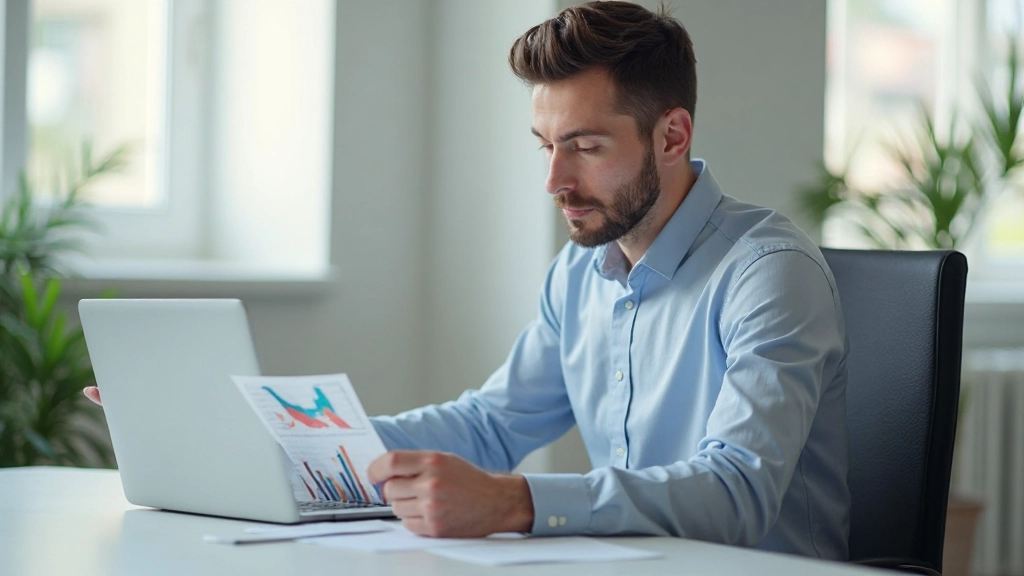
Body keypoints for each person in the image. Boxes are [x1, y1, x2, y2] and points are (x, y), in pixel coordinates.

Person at [86, 1, 850, 560]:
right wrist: (273, 437)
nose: (555, 179)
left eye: (584, 145)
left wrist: (517, 502)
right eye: (544, 145)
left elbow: (737, 494)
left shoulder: (768, 276)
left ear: (673, 134)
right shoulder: (582, 272)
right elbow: (490, 425)